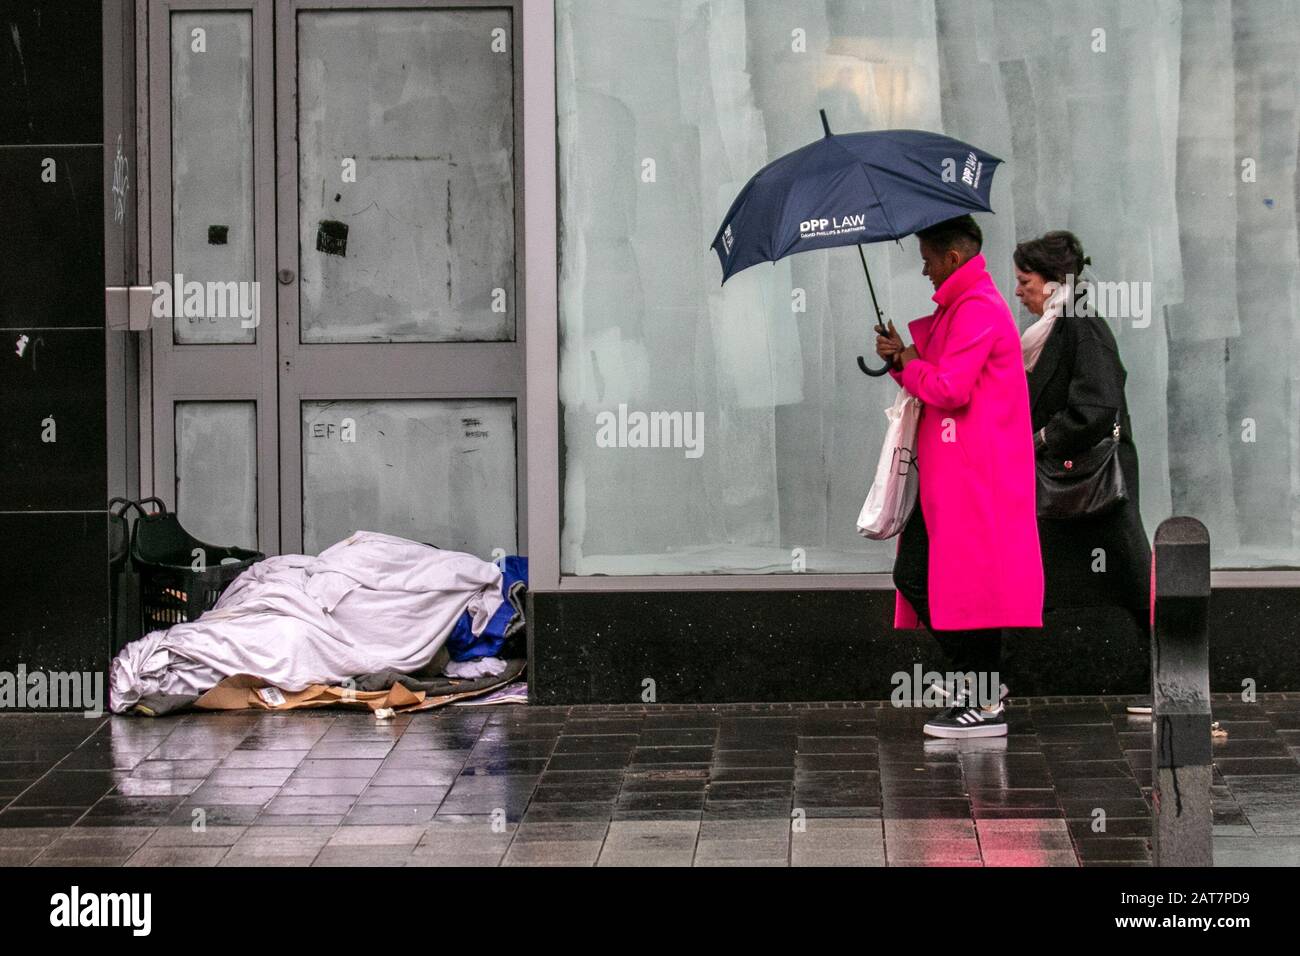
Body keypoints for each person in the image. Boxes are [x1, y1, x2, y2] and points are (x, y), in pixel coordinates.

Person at [876, 215, 1043, 739]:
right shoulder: (965, 307)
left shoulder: (976, 309)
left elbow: (950, 388)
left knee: (966, 586)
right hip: (959, 474)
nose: (923, 270)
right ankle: (976, 685)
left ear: (952, 257)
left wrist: (907, 359)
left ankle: (984, 696)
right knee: (934, 577)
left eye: (927, 258)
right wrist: (903, 358)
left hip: (974, 476)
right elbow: (938, 375)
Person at [1013, 231, 1152, 713]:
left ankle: (1175, 686)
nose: (1018, 291)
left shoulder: (1081, 325)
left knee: (1135, 583)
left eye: (1024, 281)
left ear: (1052, 283)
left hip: (1093, 482)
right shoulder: (1056, 328)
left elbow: (1096, 402)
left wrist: (1045, 439)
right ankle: (992, 683)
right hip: (1071, 483)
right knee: (1030, 581)